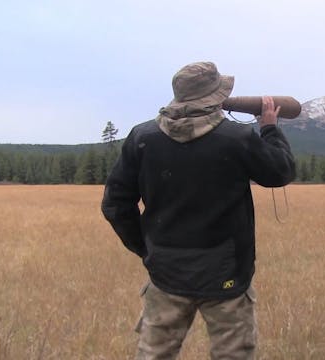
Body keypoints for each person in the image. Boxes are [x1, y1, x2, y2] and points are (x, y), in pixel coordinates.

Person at [101, 61, 296, 359]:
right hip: (226, 273)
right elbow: (280, 172)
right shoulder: (237, 139)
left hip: (165, 270)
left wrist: (147, 249)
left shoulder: (143, 138)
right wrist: (269, 129)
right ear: (216, 97)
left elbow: (115, 204)